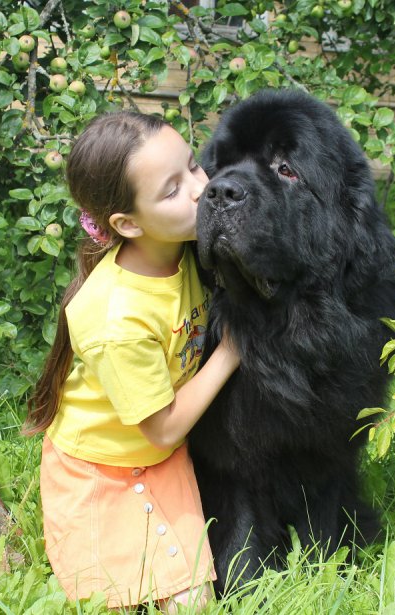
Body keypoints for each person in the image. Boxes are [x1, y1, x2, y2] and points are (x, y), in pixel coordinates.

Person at [23, 111, 240, 612]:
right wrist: (232, 351)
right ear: (127, 224)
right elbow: (162, 428)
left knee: (193, 603)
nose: (200, 190)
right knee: (113, 603)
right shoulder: (115, 319)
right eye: (172, 190)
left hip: (163, 464)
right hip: (99, 470)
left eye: (193, 165)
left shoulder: (185, 249)